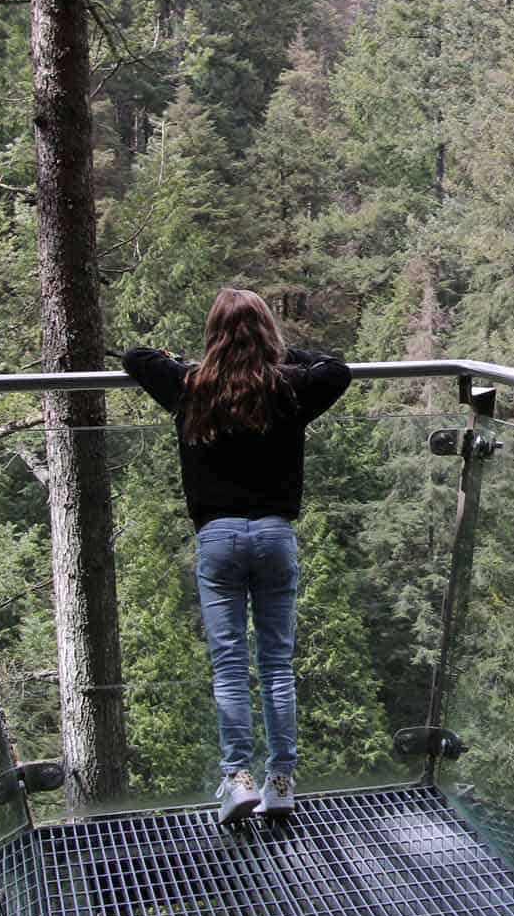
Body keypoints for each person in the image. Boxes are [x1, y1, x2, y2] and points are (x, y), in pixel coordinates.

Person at [122, 287, 351, 823]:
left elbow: (136, 357)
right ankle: (281, 781)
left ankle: (238, 778)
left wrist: (192, 360)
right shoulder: (288, 386)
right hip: (275, 537)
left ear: (213, 336)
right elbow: (336, 369)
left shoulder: (190, 385)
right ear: (266, 333)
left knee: (229, 667)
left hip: (217, 540)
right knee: (276, 665)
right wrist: (278, 356)